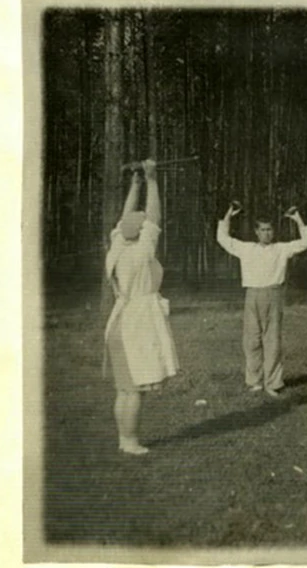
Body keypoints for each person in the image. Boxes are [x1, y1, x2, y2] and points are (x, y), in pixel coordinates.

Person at [104, 159, 179, 455]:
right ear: (140, 231)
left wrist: (135, 184)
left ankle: (124, 439)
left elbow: (126, 220)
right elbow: (155, 218)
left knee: (124, 390)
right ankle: (131, 441)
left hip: (118, 324)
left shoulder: (117, 248)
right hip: (133, 323)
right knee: (134, 390)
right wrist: (152, 180)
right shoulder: (143, 251)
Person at [216, 204, 307, 398]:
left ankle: (273, 383)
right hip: (252, 295)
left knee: (272, 340)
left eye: (269, 230)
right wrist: (228, 215)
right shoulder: (247, 248)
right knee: (251, 340)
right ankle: (254, 382)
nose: (266, 234)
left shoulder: (281, 249)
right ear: (256, 232)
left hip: (274, 295)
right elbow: (222, 239)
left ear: (273, 231)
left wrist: (298, 219)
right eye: (262, 230)